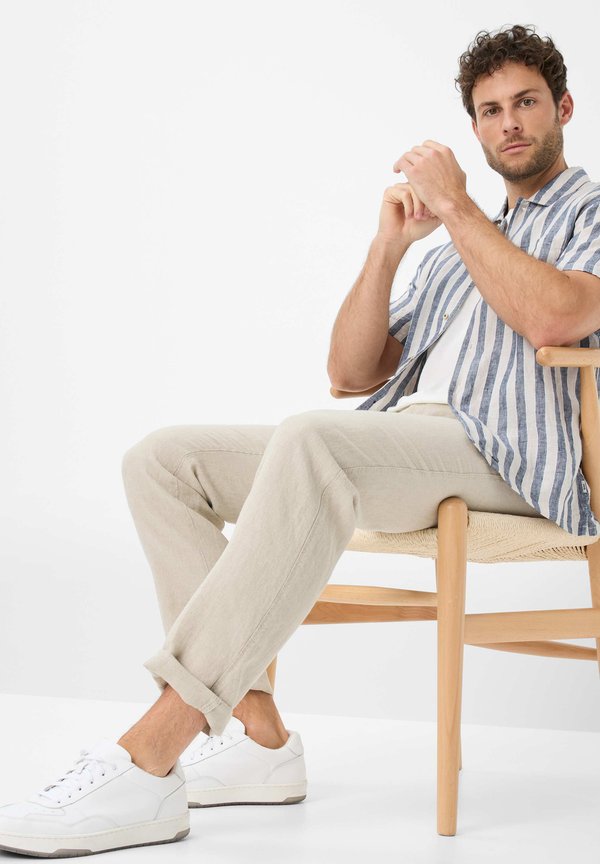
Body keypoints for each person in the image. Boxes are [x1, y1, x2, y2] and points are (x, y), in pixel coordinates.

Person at [2, 22, 600, 858]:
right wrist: (389, 247)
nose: (509, 123)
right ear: (474, 127)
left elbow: (557, 317)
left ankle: (151, 752)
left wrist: (458, 207)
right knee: (164, 463)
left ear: (562, 108)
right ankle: (261, 743)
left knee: (316, 442)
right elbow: (349, 375)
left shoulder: (583, 214)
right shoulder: (456, 251)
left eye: (525, 103)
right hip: (406, 445)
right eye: (490, 110)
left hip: (512, 460)